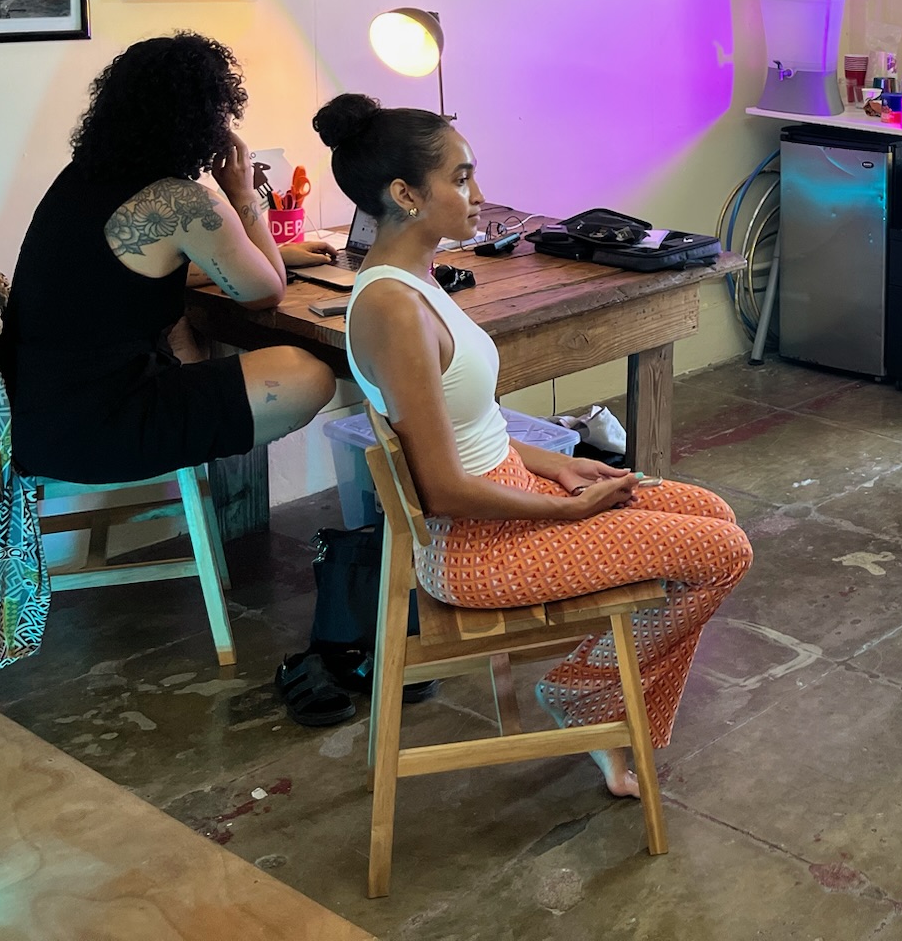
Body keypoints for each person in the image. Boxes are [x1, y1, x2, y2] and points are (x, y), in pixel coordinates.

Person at [317, 93, 751, 796]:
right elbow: (442, 489)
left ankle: (600, 696)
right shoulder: (393, 309)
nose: (478, 195)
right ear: (405, 194)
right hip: (477, 548)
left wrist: (562, 465)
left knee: (713, 516)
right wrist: (567, 510)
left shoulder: (415, 279)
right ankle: (586, 694)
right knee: (724, 553)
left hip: (511, 497)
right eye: (460, 178)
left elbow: (475, 428)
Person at [0, 34, 338, 484]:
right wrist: (241, 193)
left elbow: (133, 277)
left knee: (188, 336)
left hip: (36, 417)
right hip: (97, 428)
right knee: (310, 375)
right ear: (204, 121)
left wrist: (282, 255)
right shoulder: (181, 203)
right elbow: (267, 291)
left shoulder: (79, 177)